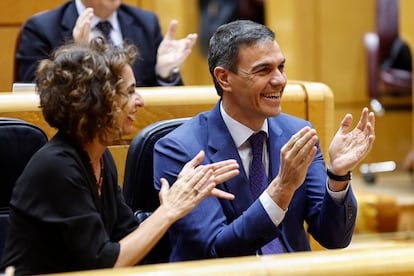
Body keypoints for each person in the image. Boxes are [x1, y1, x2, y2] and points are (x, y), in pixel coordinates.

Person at [0, 38, 239, 275]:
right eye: (130, 91)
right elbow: (104, 263)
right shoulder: (57, 169)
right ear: (97, 101)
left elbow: (129, 238)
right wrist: (170, 210)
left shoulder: (100, 158)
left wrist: (188, 199)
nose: (140, 101)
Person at [153, 20, 376, 261]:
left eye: (281, 67)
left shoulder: (298, 133)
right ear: (224, 78)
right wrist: (281, 190)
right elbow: (216, 249)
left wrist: (338, 175)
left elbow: (334, 239)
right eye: (263, 70)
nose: (279, 80)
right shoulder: (180, 149)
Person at [15, 0, 197, 86]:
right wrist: (79, 55)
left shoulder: (145, 23)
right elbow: (36, 95)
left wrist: (164, 73)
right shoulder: (42, 28)